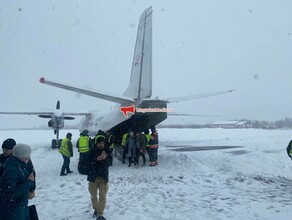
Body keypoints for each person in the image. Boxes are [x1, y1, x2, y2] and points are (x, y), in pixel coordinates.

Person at [0, 144, 35, 220]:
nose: (28, 158)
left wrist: (31, 188)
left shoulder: (22, 164)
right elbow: (11, 195)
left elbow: (32, 173)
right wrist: (28, 183)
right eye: (26, 156)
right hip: (12, 210)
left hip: (20, 206)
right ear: (20, 155)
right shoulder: (11, 170)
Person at [87, 136, 112, 220]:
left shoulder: (107, 151)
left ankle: (100, 214)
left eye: (102, 143)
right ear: (97, 144)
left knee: (102, 195)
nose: (101, 145)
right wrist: (96, 159)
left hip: (103, 177)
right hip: (93, 177)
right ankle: (96, 209)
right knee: (93, 195)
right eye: (100, 143)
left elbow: (110, 162)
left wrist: (105, 159)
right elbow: (87, 162)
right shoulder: (91, 151)